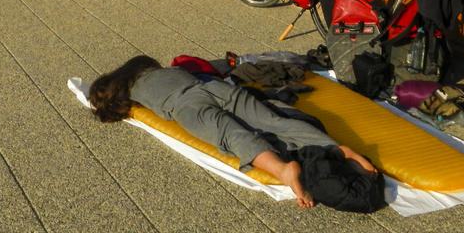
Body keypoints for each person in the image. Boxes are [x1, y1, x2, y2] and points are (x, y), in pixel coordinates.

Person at [88, 55, 378, 209]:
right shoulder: (154, 72)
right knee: (275, 122)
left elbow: (123, 110)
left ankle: (283, 171)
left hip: (187, 107)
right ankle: (341, 149)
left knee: (233, 135)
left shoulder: (134, 92)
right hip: (214, 89)